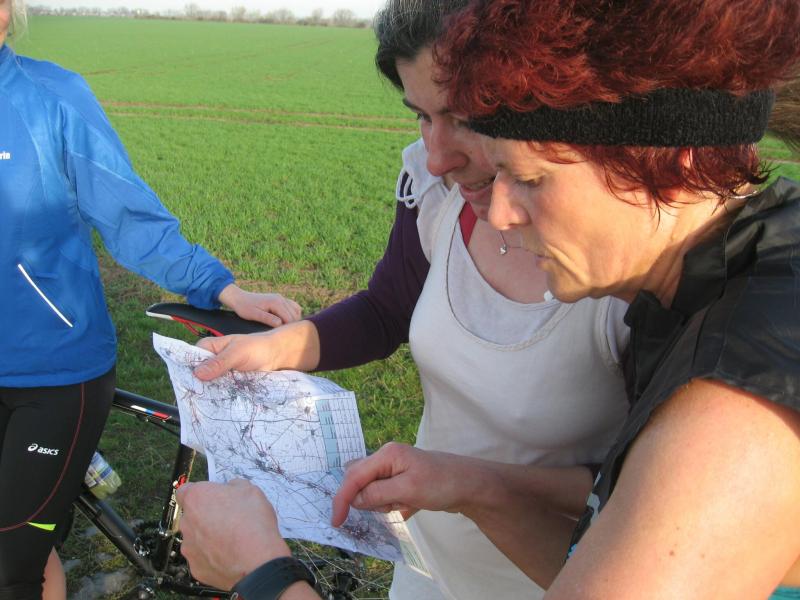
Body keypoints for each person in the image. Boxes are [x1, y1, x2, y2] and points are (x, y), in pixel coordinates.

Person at [181, 0, 800, 599]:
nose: (498, 213)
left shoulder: (737, 409)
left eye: (528, 179)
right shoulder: (716, 279)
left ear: (668, 157)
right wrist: (470, 485)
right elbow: (592, 552)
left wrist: (262, 573)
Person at [0, 2, 301, 598]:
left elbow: (129, 215)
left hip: (52, 372)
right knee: (24, 550)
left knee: (10, 564)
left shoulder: (51, 97)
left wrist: (222, 288)